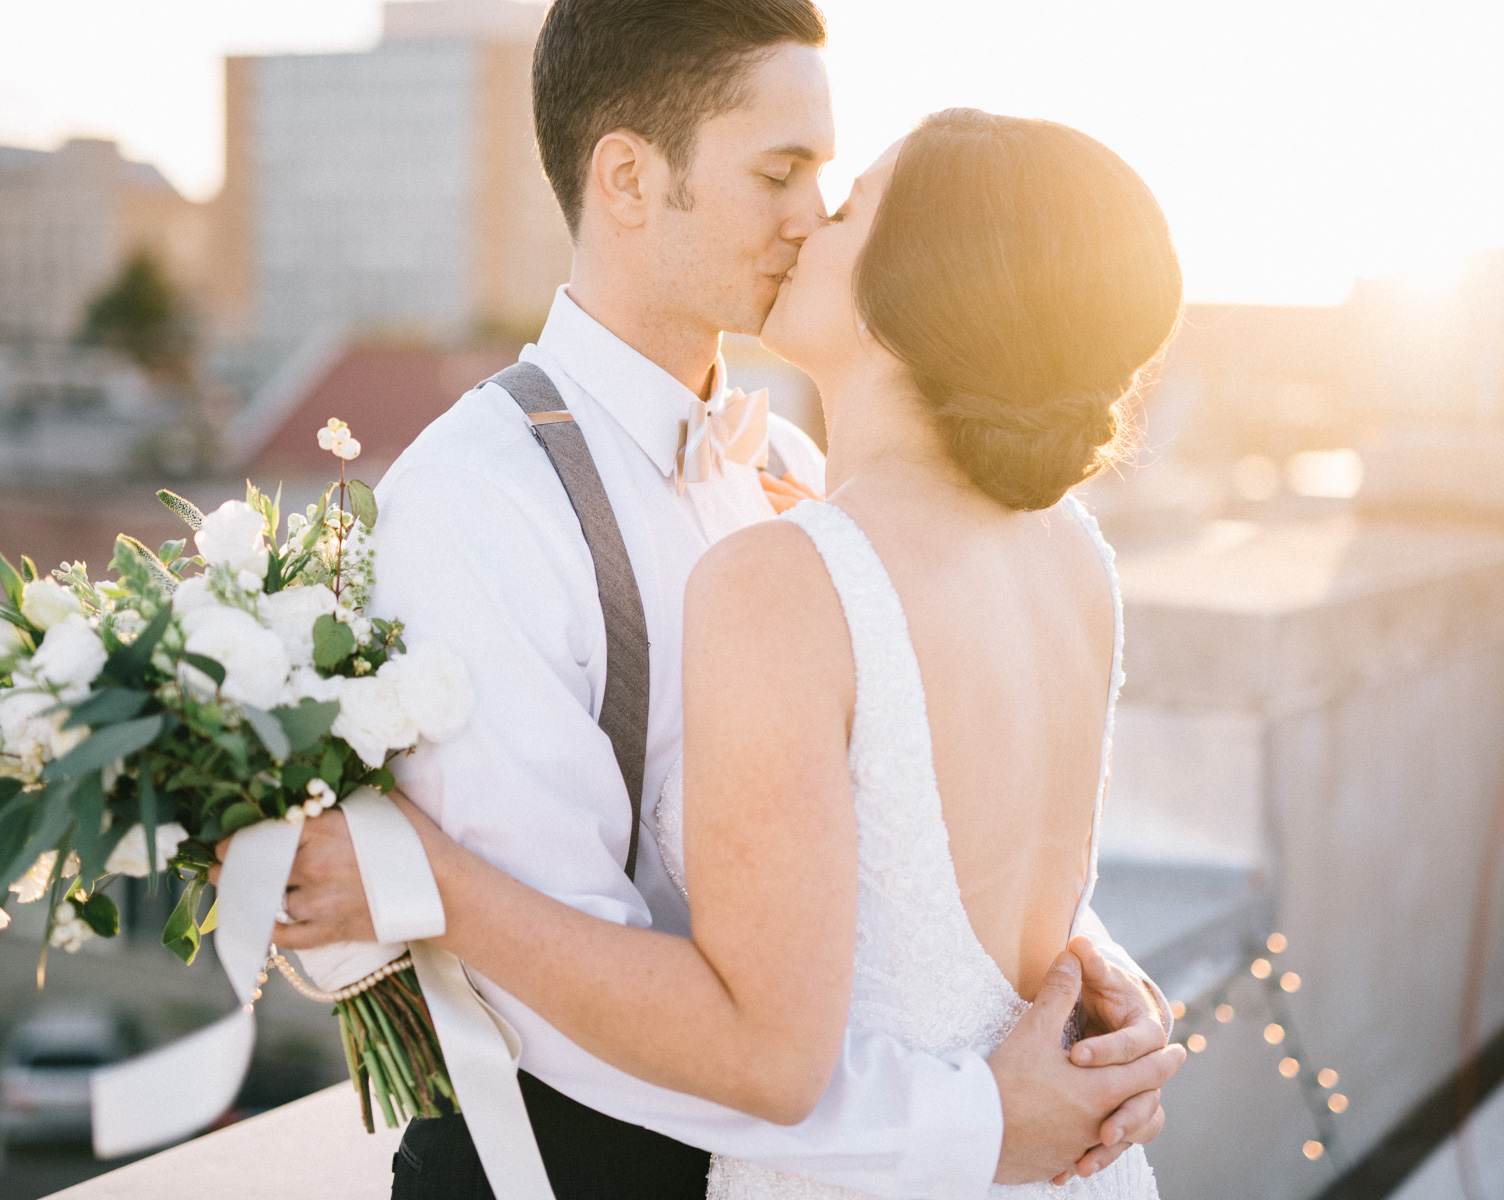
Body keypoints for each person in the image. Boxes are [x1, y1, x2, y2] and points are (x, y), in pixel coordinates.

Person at [260, 2, 1184, 1196]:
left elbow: (921, 849)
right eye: (780, 174)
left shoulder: (797, 483)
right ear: (631, 179)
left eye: (830, 184)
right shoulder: (479, 503)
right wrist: (968, 1121)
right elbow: (561, 1026)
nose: (811, 219)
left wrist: (1080, 978)